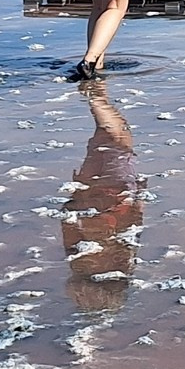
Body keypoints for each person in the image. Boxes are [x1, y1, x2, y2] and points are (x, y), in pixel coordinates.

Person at [61, 79, 143, 314]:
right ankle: (96, 87)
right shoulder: (78, 260)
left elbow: (134, 223)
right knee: (102, 141)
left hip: (117, 197)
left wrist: (138, 196)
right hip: (87, 193)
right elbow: (66, 220)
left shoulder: (120, 259)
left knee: (118, 138)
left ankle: (94, 92)